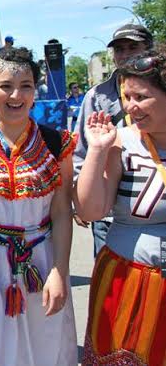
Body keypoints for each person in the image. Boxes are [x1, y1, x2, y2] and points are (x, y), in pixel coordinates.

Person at [0, 47, 76, 365]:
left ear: (36, 90)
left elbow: (62, 210)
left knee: (46, 344)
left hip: (42, 260)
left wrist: (60, 272)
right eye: (6, 85)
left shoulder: (56, 143)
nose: (15, 95)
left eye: (26, 86)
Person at [75, 47, 166, 364]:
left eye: (141, 97)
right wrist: (97, 150)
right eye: (127, 97)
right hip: (127, 282)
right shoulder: (121, 141)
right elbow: (89, 211)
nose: (131, 106)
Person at [73, 23, 154, 256]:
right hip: (108, 210)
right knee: (110, 281)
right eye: (119, 49)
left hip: (154, 201)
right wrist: (80, 197)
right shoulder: (97, 95)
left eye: (132, 47)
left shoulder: (161, 91)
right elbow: (82, 151)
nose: (125, 54)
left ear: (148, 49)